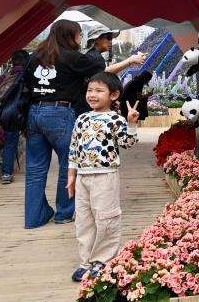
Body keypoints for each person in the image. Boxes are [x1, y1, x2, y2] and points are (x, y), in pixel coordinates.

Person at [23, 19, 106, 229]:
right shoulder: (71, 56)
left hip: (33, 112)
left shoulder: (35, 57)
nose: (80, 38)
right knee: (68, 165)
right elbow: (98, 65)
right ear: (70, 35)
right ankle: (64, 213)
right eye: (79, 34)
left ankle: (33, 218)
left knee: (35, 170)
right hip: (60, 112)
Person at [67, 72, 139, 282]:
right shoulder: (81, 118)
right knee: (83, 220)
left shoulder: (115, 119)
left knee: (106, 218)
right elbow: (73, 148)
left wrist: (131, 123)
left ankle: (103, 260)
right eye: (90, 90)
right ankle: (86, 261)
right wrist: (71, 176)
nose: (92, 95)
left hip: (105, 176)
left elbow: (128, 144)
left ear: (114, 95)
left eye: (99, 91)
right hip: (82, 177)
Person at [73, 24, 147, 116]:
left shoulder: (91, 55)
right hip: (83, 107)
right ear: (97, 39)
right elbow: (104, 73)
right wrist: (130, 60)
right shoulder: (94, 57)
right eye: (108, 38)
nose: (110, 42)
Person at [0, 49, 30, 184]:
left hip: (8, 114)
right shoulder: (27, 74)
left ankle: (6, 174)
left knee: (9, 144)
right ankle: (33, 171)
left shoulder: (4, 76)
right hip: (25, 112)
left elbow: (0, 96)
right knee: (33, 141)